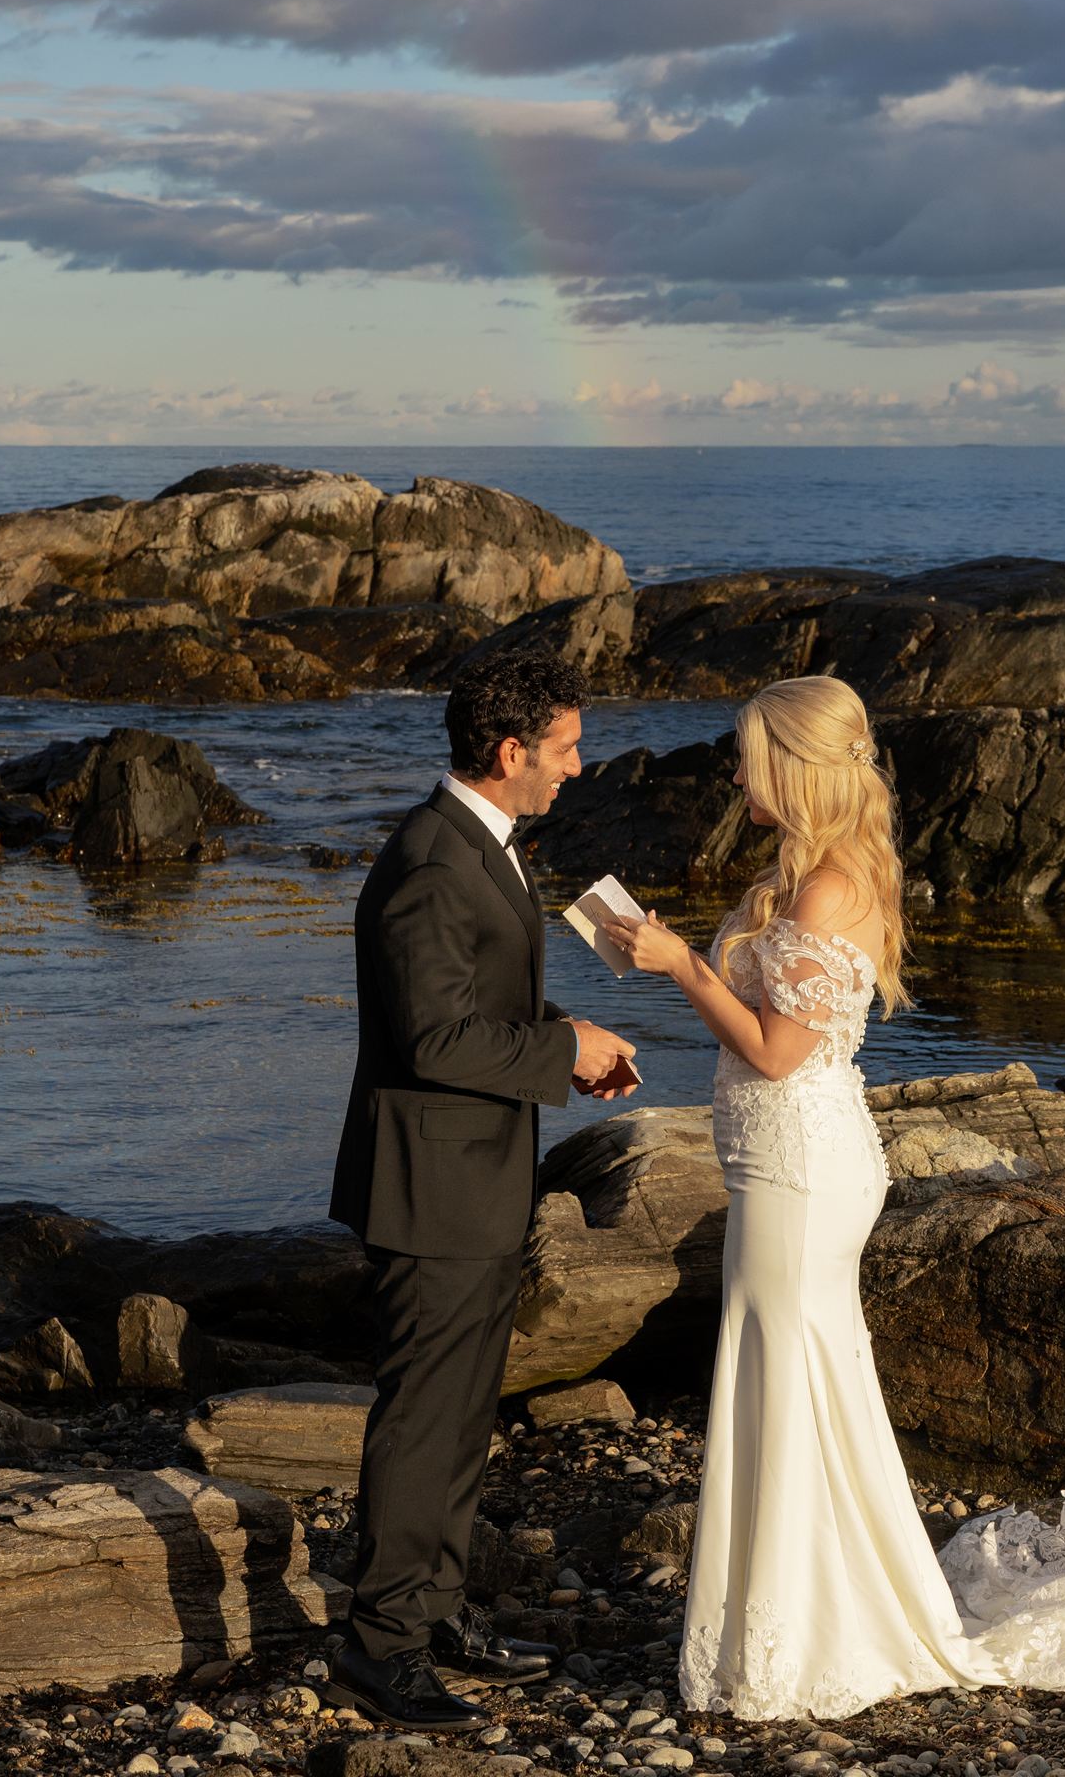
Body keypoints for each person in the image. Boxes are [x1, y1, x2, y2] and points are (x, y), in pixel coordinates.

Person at [601, 674, 1065, 1720]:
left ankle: (811, 1628)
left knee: (794, 1366)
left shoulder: (831, 885)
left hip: (802, 1165)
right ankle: (795, 1607)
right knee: (787, 1368)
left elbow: (774, 1050)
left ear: (794, 767)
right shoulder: (801, 872)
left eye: (749, 755)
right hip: (781, 1157)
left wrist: (680, 964)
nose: (733, 771)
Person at [326, 650, 638, 1732]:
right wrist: (565, 1046)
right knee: (421, 1422)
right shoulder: (431, 859)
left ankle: (442, 1612)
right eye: (564, 748)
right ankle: (381, 1646)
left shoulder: (483, 843)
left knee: (461, 1418)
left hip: (473, 1182)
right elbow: (436, 1035)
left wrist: (571, 1051)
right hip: (431, 1192)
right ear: (509, 753)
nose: (576, 766)